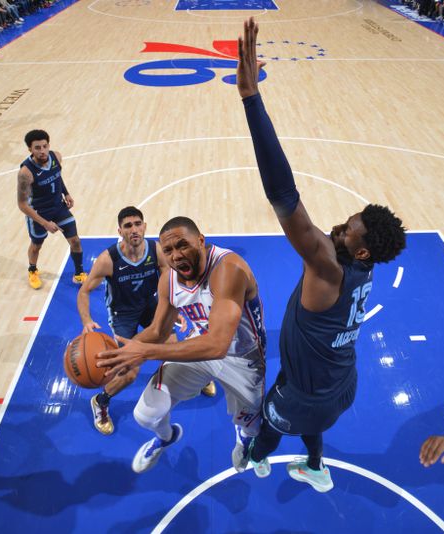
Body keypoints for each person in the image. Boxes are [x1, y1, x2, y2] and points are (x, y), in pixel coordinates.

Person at [236, 17, 407, 492]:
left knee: (271, 427)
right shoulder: (364, 268)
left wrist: (251, 100)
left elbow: (282, 193)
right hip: (339, 382)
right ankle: (316, 466)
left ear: (362, 248)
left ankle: (253, 457)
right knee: (315, 421)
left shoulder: (326, 266)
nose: (340, 225)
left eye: (349, 228)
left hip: (308, 391)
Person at [97, 216, 267, 474]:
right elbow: (158, 330)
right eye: (168, 250)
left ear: (201, 240)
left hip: (242, 358)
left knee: (253, 427)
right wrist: (120, 353)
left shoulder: (228, 269)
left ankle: (244, 436)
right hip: (199, 348)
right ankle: (165, 437)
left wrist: (146, 352)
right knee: (145, 414)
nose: (175, 256)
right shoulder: (169, 279)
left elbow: (218, 345)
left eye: (182, 246)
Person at [76, 207, 216, 435]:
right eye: (128, 225)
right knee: (129, 371)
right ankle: (101, 401)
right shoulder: (107, 260)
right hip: (123, 315)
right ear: (119, 231)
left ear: (145, 226)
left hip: (151, 305)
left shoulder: (156, 250)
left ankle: (196, 379)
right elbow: (84, 291)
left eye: (138, 223)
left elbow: (169, 276)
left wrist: (175, 305)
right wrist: (87, 320)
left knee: (177, 351)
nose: (134, 229)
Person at [17, 129, 87, 289]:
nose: (42, 151)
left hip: (58, 207)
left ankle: (79, 274)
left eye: (44, 146)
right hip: (38, 213)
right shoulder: (25, 173)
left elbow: (57, 175)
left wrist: (66, 193)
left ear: (49, 145)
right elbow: (22, 205)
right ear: (30, 149)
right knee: (36, 246)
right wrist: (45, 223)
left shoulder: (56, 156)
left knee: (75, 241)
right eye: (37, 148)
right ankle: (32, 270)